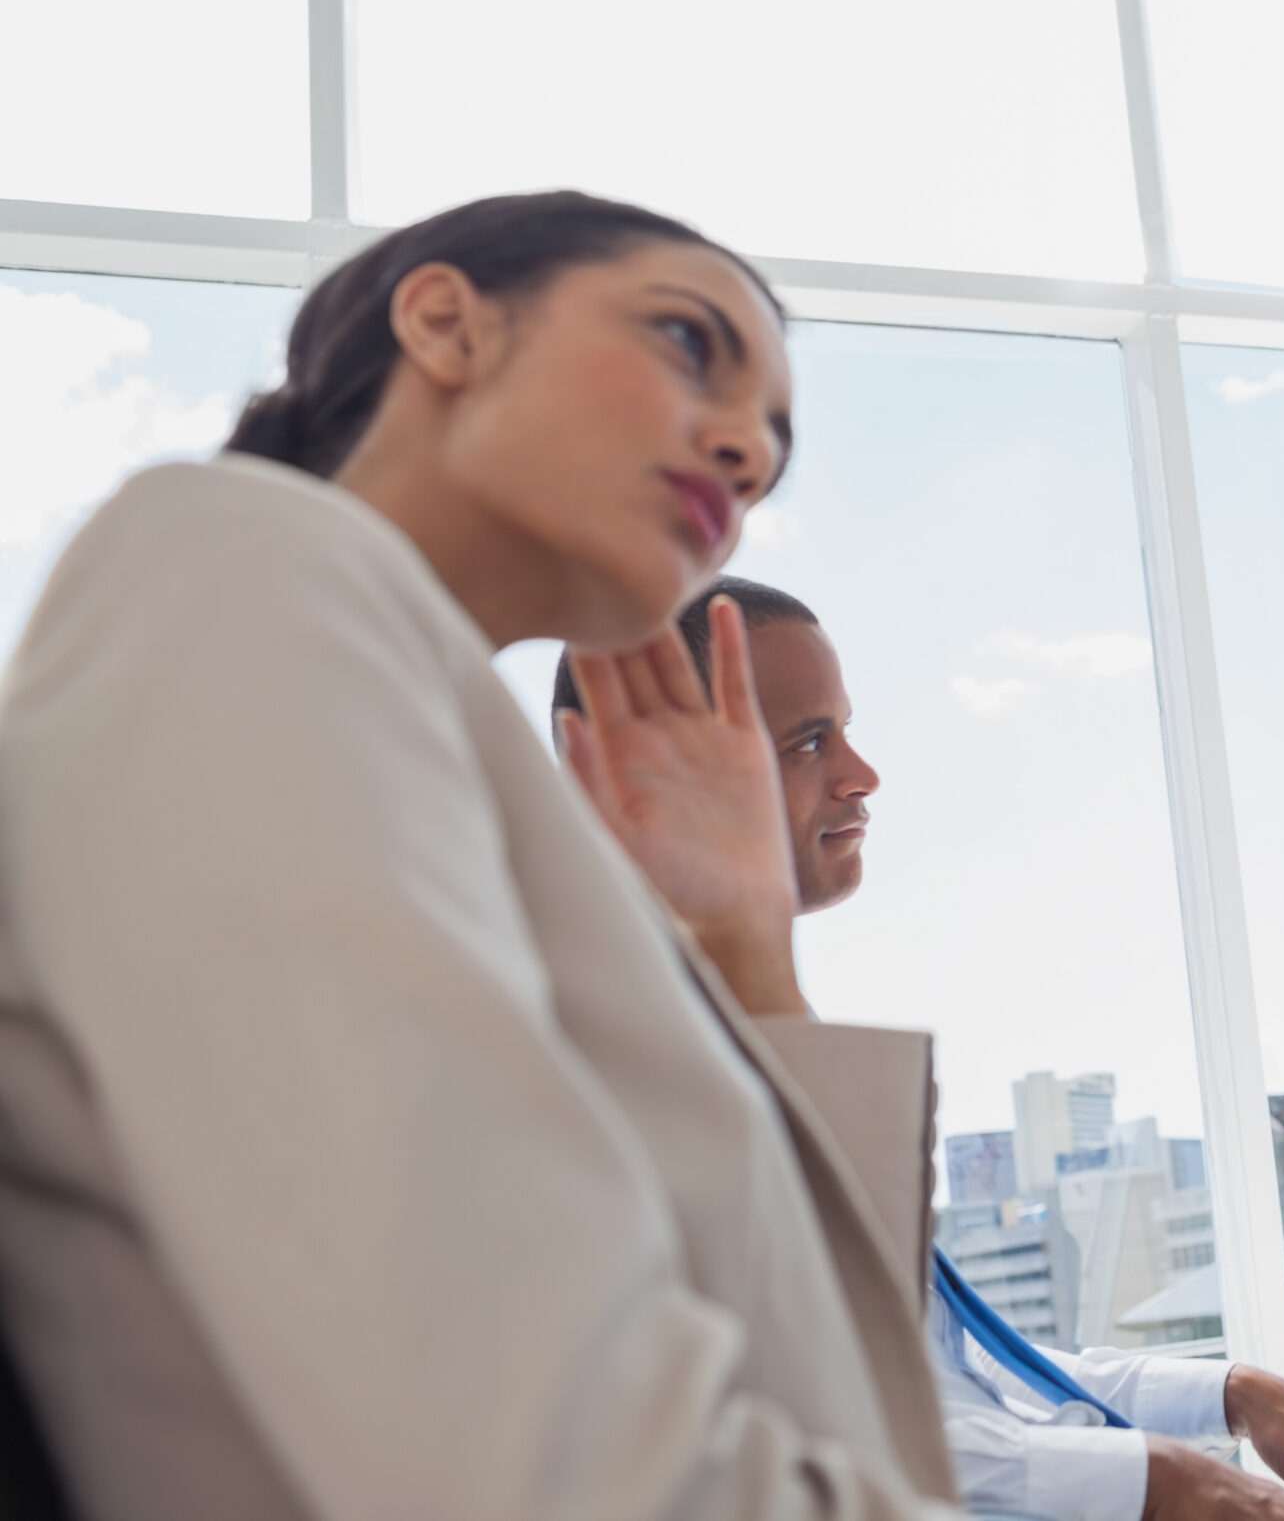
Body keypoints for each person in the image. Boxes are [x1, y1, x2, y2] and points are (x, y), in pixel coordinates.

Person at [0, 192, 959, 1520]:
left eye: (772, 453)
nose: (745, 449)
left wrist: (739, 939)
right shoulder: (242, 565)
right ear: (447, 323)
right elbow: (540, 1450)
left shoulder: (451, 767)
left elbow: (812, 1381)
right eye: (689, 342)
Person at [555, 580, 1284, 1521]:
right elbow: (810, 1431)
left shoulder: (744, 1029)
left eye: (843, 729)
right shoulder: (595, 1071)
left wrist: (1224, 1393)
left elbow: (952, 1380)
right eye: (807, 743)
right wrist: (1145, 1479)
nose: (863, 774)